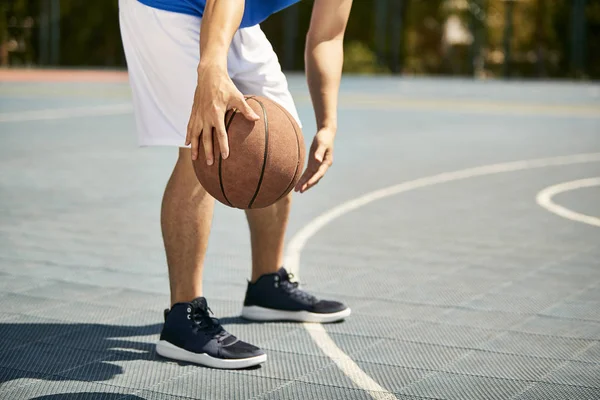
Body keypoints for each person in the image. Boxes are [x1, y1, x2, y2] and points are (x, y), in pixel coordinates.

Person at [119, 0, 353, 369]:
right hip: (168, 7)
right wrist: (210, 68)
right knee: (203, 146)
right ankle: (183, 318)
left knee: (277, 140)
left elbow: (327, 35)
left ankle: (266, 286)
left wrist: (328, 123)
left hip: (235, 16)